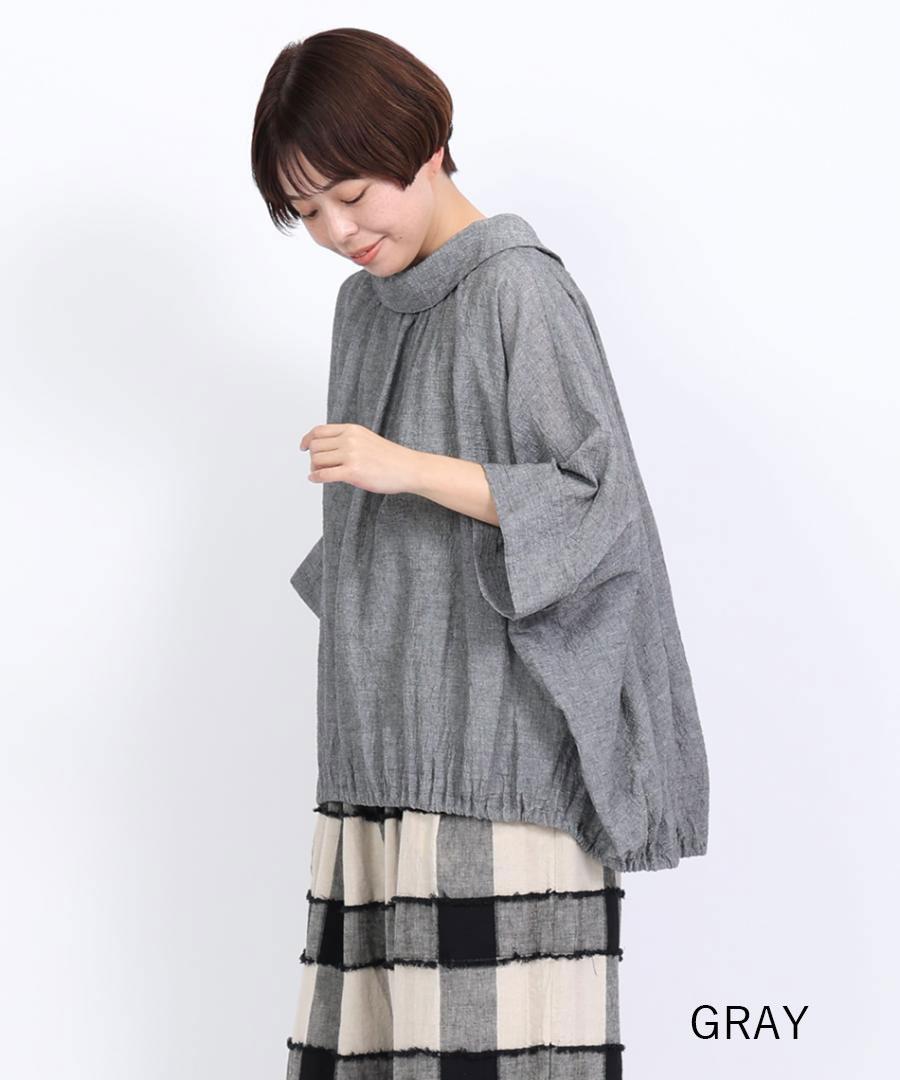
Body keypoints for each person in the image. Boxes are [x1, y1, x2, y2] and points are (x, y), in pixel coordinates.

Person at [251, 26, 709, 1080]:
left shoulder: (517, 288)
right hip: (376, 758)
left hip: (498, 779)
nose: (337, 230)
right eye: (307, 212)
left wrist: (404, 467)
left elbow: (598, 500)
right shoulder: (363, 309)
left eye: (350, 193)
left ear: (425, 144)